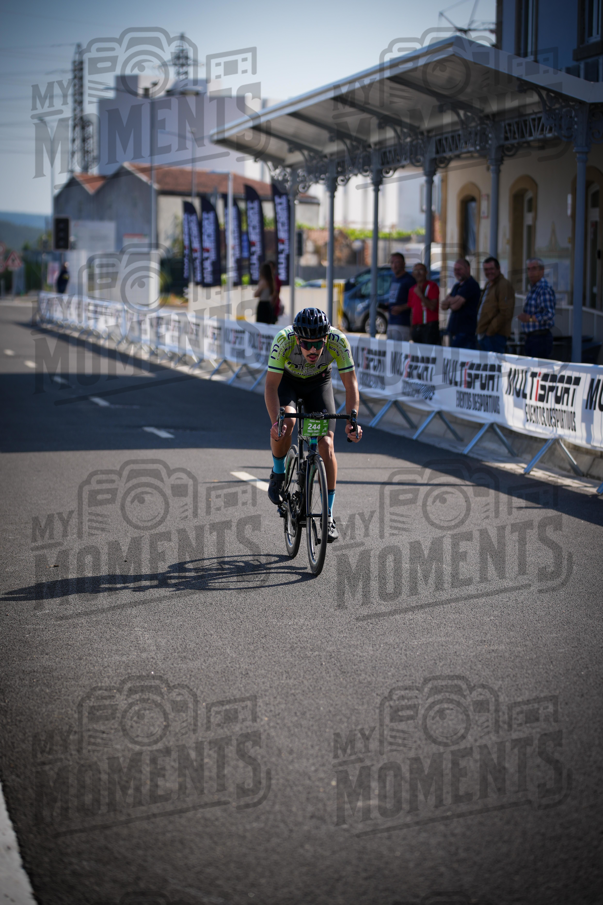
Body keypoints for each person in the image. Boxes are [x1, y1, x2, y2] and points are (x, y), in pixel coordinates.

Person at [265, 307, 362, 542]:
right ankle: (279, 474)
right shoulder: (283, 340)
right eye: (307, 344)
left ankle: (327, 515)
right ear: (297, 339)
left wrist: (353, 420)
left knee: (326, 445)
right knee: (287, 422)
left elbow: (351, 385)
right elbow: (270, 387)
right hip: (288, 383)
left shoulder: (339, 341)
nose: (313, 350)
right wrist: (275, 423)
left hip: (319, 384)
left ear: (326, 338)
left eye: (318, 344)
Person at [518, 258, 556, 359]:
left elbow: (548, 315)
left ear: (542, 270)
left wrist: (529, 318)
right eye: (529, 269)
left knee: (538, 372)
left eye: (534, 268)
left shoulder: (543, 289)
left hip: (540, 339)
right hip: (531, 338)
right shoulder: (534, 288)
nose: (531, 272)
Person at [476, 256, 516, 353]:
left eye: (491, 269)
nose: (489, 272)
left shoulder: (503, 284)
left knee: (494, 367)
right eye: (486, 270)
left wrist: (490, 332)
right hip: (485, 335)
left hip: (495, 336)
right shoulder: (489, 284)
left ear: (498, 269)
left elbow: (505, 312)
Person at [440, 258, 481, 349]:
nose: (457, 272)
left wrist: (450, 301)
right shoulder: (457, 286)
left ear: (468, 269)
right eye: (455, 269)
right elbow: (443, 305)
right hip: (454, 330)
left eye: (460, 269)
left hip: (466, 331)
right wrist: (453, 300)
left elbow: (455, 306)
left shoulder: (471, 284)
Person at [408, 263, 440, 345]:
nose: (418, 273)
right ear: (412, 274)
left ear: (426, 272)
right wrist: (412, 328)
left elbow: (432, 306)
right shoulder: (412, 289)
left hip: (429, 327)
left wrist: (420, 295)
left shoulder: (432, 286)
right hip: (417, 327)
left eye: (421, 270)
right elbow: (412, 310)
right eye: (416, 270)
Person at [387, 252, 415, 341]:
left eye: (397, 262)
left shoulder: (409, 280)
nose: (394, 265)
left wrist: (402, 307)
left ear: (404, 264)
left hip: (402, 323)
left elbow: (415, 301)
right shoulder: (393, 278)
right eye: (392, 262)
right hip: (391, 321)